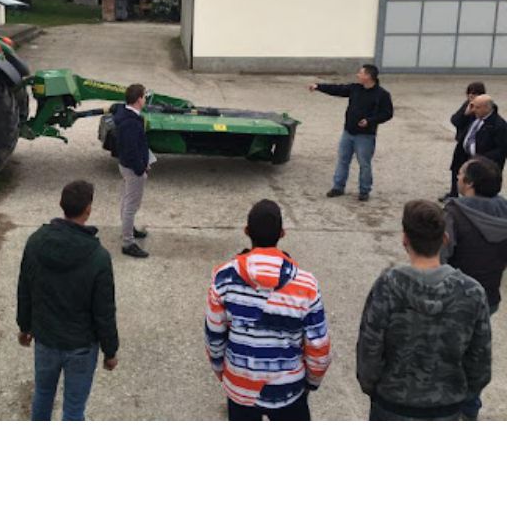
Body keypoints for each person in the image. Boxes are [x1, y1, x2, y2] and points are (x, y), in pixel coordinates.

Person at [356, 199, 491, 421]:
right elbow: (480, 362)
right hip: (447, 407)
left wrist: (376, 390)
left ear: (405, 239)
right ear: (445, 239)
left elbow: (369, 350)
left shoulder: (387, 285)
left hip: (392, 405)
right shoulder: (472, 292)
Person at [205, 199, 331, 421]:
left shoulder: (223, 278)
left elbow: (214, 335)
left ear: (246, 231)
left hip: (239, 385)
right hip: (289, 390)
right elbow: (318, 347)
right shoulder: (306, 285)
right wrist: (312, 382)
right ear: (282, 233)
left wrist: (220, 370)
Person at [16, 180, 119, 421]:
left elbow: (25, 288)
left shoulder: (35, 242)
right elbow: (104, 311)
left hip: (46, 340)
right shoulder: (98, 257)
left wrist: (24, 326)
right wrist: (110, 350)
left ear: (61, 205)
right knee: (73, 409)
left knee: (42, 394)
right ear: (88, 210)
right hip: (81, 347)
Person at [441, 156, 507, 419]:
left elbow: (441, 257)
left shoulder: (454, 212)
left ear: (470, 184)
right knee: (474, 354)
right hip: (488, 298)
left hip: (455, 300)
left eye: (460, 175)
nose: (457, 178)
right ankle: (470, 410)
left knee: (447, 356)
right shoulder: (505, 210)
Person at [309, 64, 393, 201]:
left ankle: (364, 190)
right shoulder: (355, 88)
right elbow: (337, 89)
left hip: (365, 136)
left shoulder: (382, 95)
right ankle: (338, 187)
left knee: (364, 164)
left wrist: (370, 121)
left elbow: (387, 114)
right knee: (343, 160)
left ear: (368, 76)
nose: (357, 75)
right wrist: (319, 87)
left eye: (360, 73)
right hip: (348, 133)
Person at [113, 83, 151, 258]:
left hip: (126, 166)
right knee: (131, 205)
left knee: (127, 200)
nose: (145, 99)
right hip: (132, 168)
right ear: (138, 100)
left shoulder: (126, 115)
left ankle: (129, 229)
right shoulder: (131, 123)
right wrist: (141, 168)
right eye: (144, 96)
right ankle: (128, 242)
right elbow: (131, 150)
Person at [440, 81, 486, 202]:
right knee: (456, 168)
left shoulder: (485, 107)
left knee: (473, 171)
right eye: (470, 95)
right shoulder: (467, 105)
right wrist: (465, 114)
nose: (472, 98)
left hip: (476, 146)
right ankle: (453, 192)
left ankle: (472, 196)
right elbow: (455, 120)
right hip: (463, 144)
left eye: (475, 95)